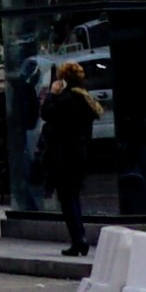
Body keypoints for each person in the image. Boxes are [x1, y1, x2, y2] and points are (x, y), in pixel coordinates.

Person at [30, 62, 104, 240]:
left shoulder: (66, 99)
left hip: (64, 153)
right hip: (80, 151)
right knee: (74, 194)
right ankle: (80, 236)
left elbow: (47, 113)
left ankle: (78, 238)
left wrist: (52, 94)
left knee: (66, 197)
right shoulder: (86, 99)